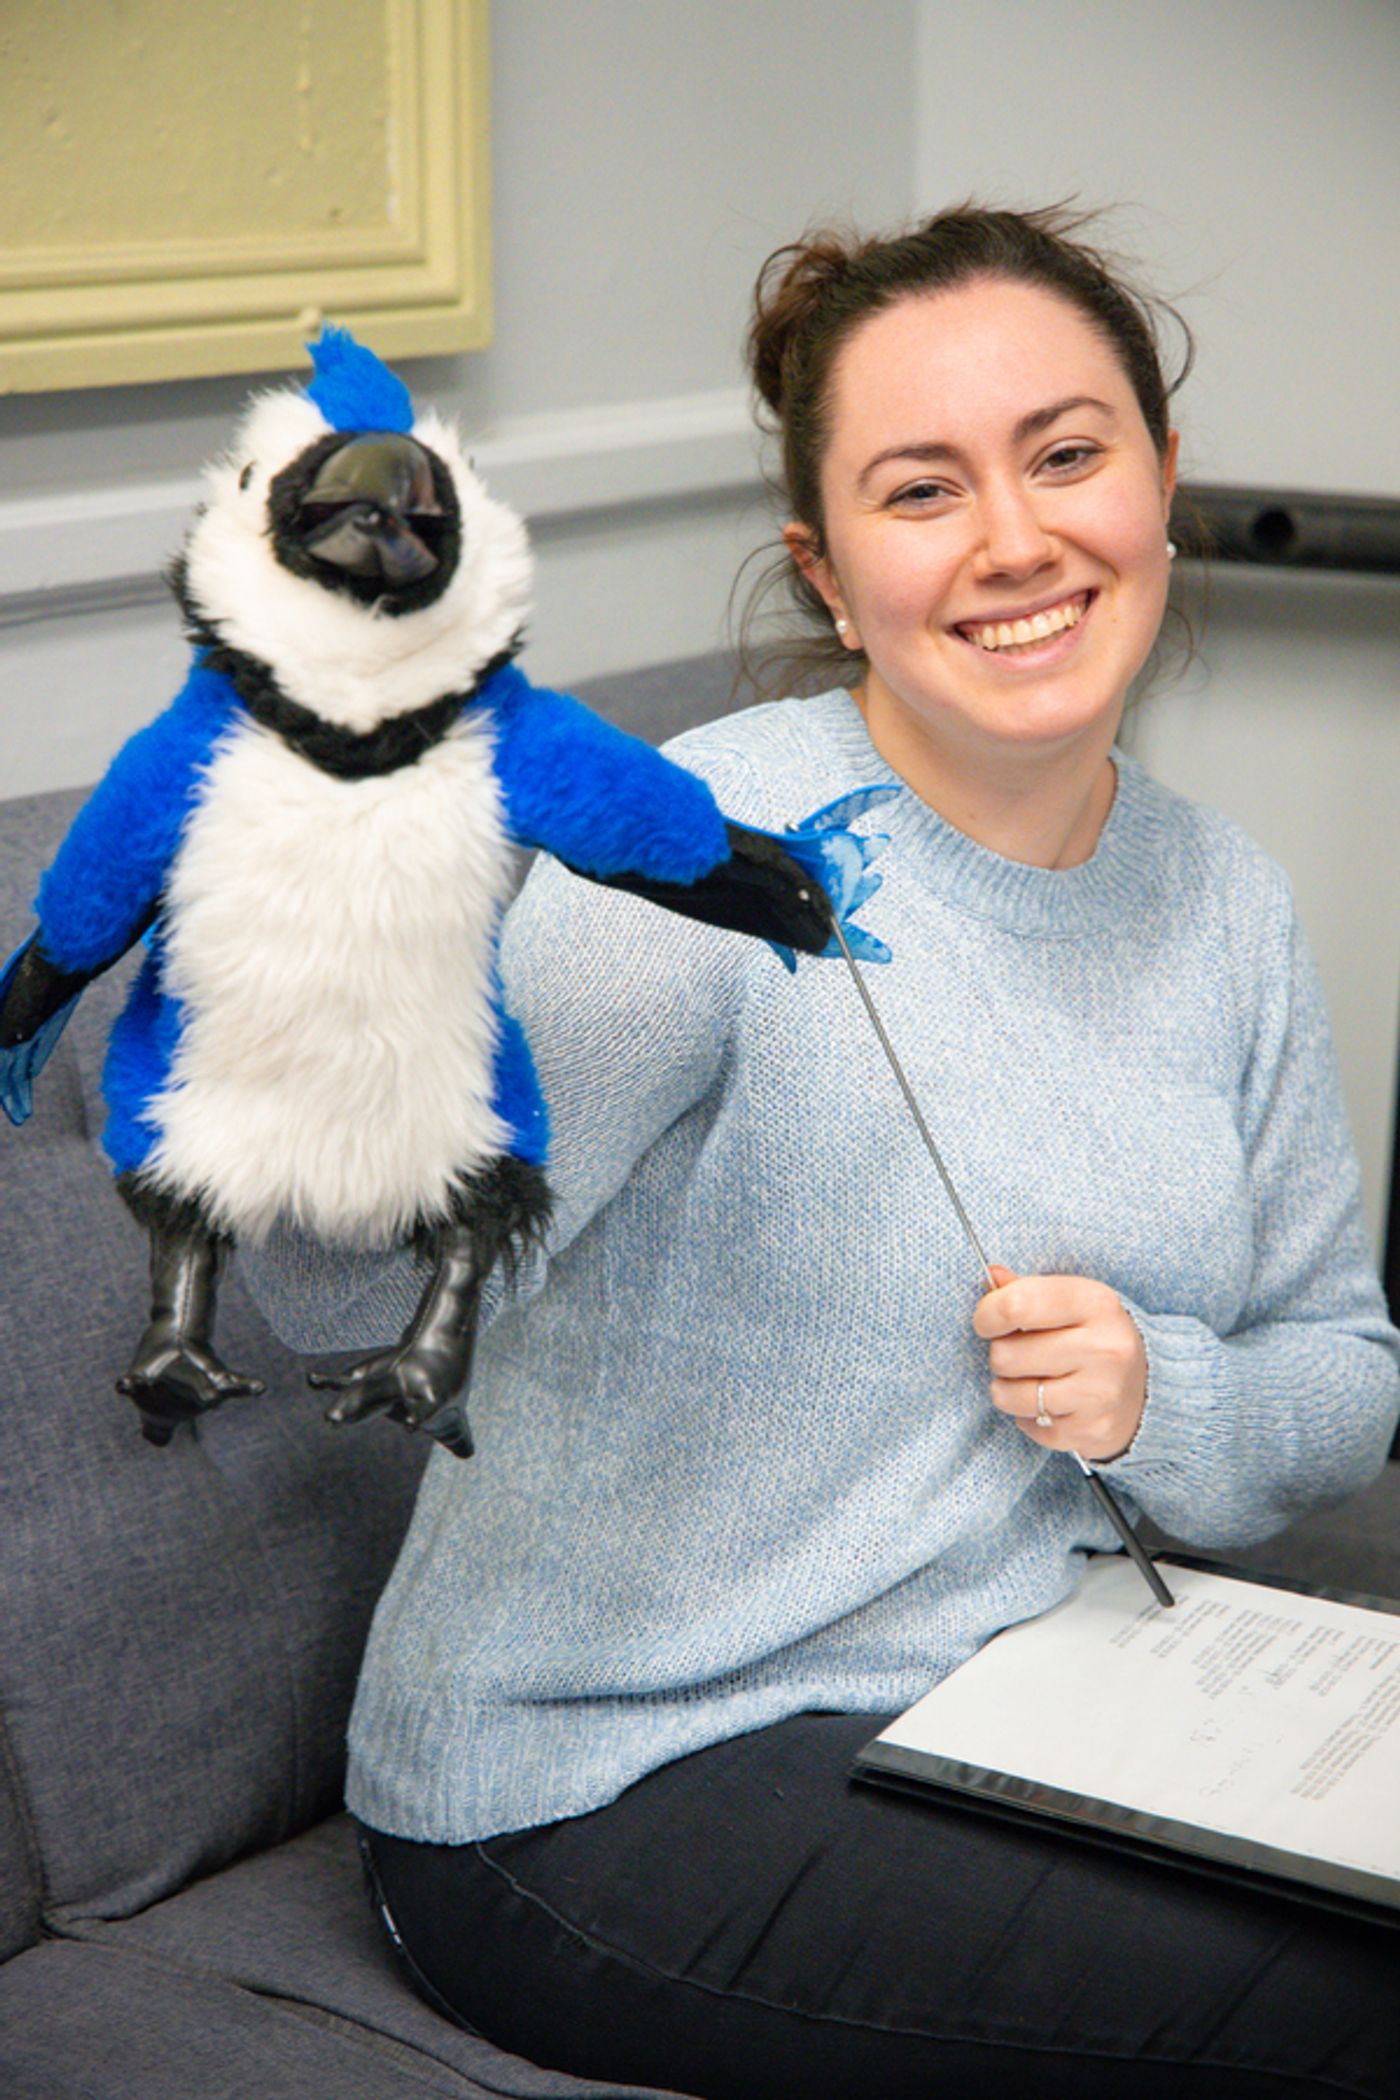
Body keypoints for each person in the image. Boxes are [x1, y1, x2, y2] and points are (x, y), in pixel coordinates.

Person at [242, 204, 1400, 2098]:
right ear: (833, 573)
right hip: (590, 1787)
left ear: (1161, 488)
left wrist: (1154, 1397)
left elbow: (1345, 1382)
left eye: (1068, 454)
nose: (1016, 538)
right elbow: (354, 1297)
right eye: (922, 488)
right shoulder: (696, 867)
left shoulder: (1227, 905)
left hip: (1018, 1700)